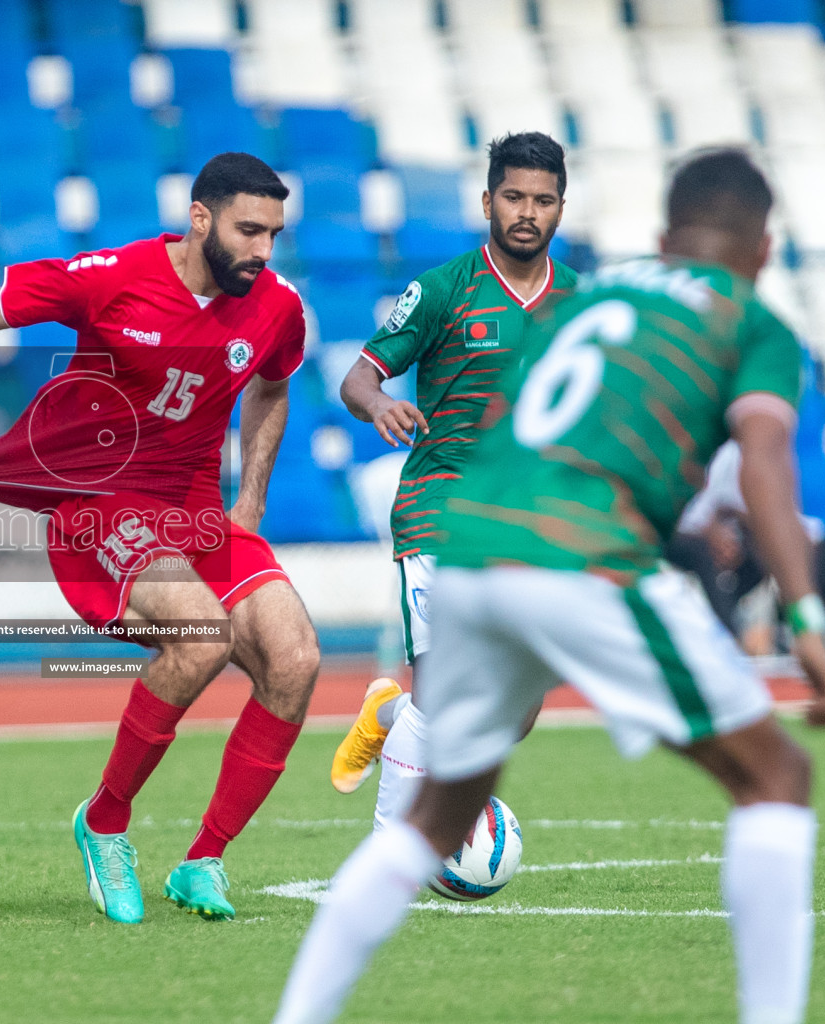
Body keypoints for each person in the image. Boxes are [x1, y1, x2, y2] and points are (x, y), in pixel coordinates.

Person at [274, 148, 825, 1024]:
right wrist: (806, 618)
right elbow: (765, 463)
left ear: (662, 236)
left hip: (476, 540)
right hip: (577, 551)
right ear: (765, 250)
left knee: (438, 817)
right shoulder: (750, 324)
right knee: (777, 776)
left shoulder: (605, 293)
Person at [0, 153, 321, 924]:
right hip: (101, 500)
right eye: (249, 231)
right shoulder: (113, 277)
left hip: (198, 513)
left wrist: (252, 502)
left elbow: (273, 383)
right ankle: (103, 823)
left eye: (274, 234)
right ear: (200, 220)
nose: (264, 250)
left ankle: (204, 861)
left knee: (296, 659)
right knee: (202, 637)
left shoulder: (276, 306)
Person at [329, 132, 577, 830]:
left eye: (543, 200)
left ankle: (387, 714)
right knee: (440, 689)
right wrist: (379, 404)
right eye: (514, 197)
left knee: (512, 709)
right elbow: (359, 376)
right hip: (440, 506)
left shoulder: (582, 302)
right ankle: (388, 855)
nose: (527, 212)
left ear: (561, 207)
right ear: (487, 201)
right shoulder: (442, 290)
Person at [669, 440, 825, 651]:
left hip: (738, 534)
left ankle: (805, 629)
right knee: (766, 548)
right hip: (684, 535)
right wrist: (714, 531)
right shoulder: (687, 449)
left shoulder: (740, 452)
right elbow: (690, 513)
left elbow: (738, 506)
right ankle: (733, 638)